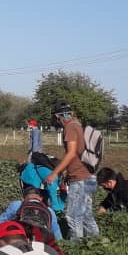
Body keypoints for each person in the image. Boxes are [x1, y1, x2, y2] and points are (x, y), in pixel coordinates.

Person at [44, 102, 99, 241]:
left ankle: (76, 250)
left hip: (80, 178)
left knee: (73, 215)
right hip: (89, 176)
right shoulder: (79, 126)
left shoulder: (69, 127)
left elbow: (71, 153)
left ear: (57, 116)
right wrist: (67, 173)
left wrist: (54, 172)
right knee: (86, 214)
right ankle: (96, 243)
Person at [0, 187, 64, 241]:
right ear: (41, 198)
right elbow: (56, 233)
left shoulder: (17, 204)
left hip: (20, 239)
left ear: (23, 199)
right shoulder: (49, 210)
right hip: (42, 242)